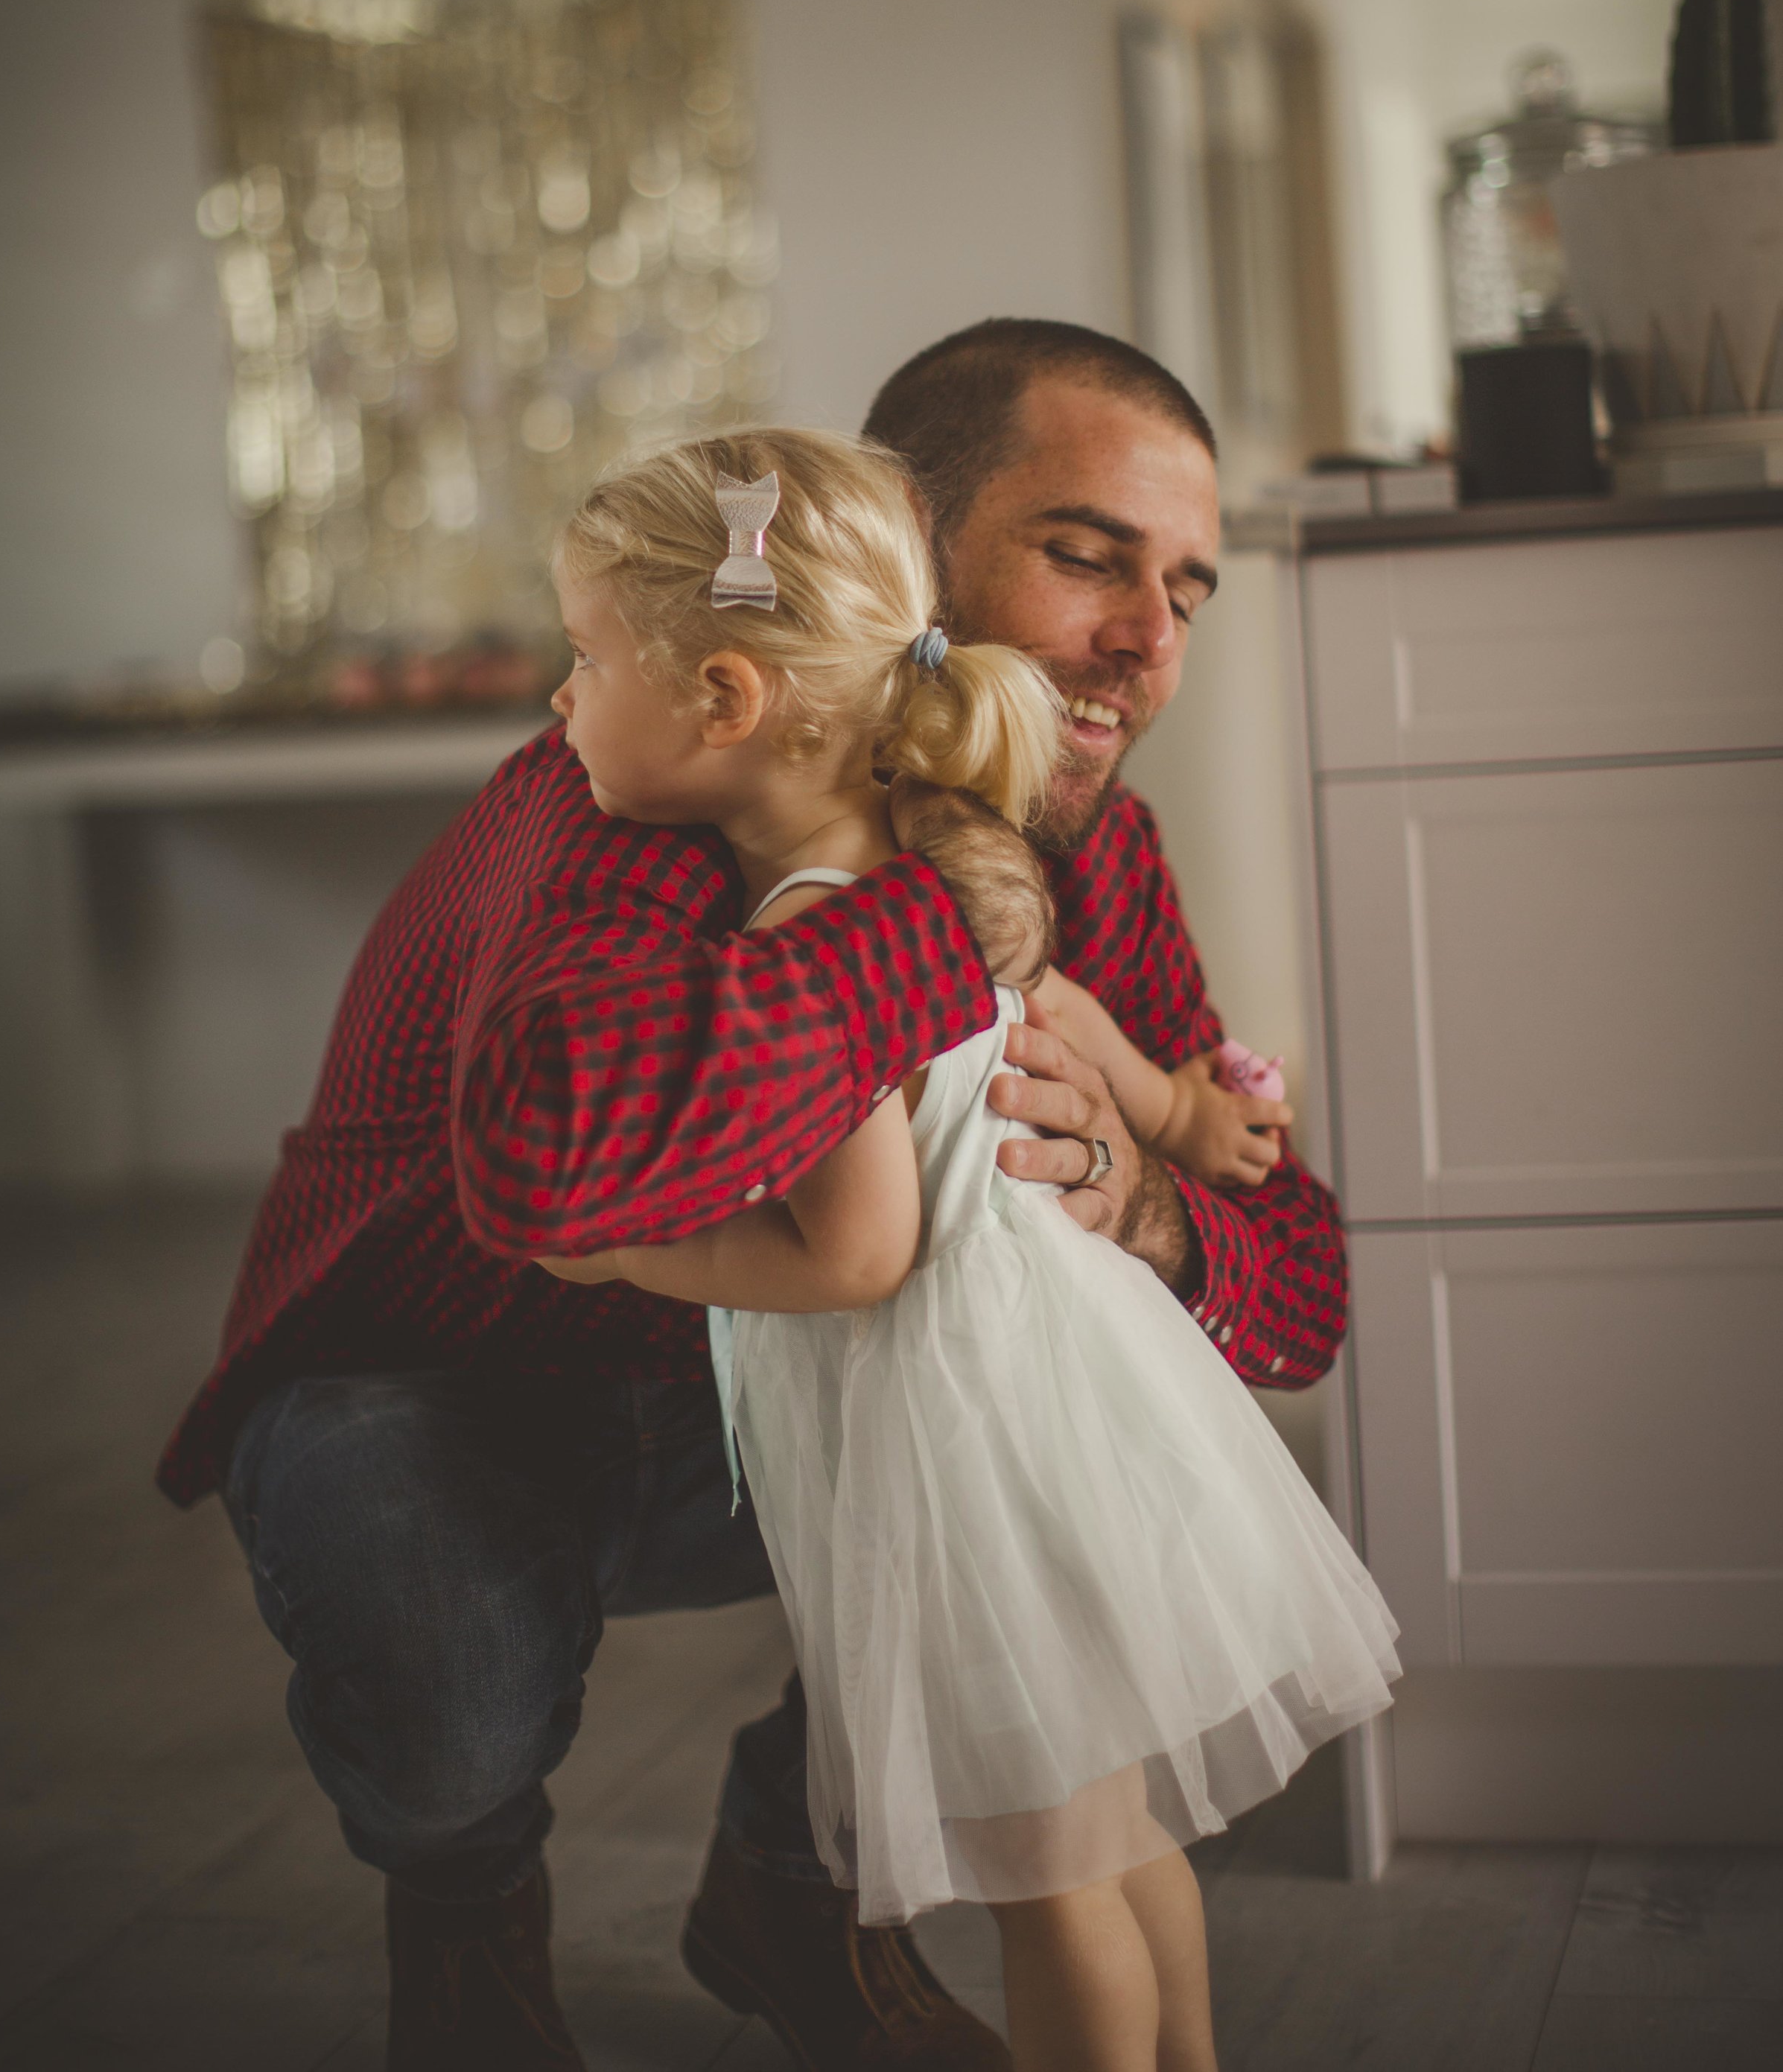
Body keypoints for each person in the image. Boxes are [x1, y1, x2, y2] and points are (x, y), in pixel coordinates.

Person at [157, 318, 1350, 2072]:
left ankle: (787, 1887)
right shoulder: (632, 791)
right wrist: (947, 926)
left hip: (805, 1397)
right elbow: (551, 1159)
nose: (1146, 644)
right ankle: (469, 1901)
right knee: (440, 1678)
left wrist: (1138, 1191)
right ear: (890, 547)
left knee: (1033, 1492)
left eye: (1186, 590)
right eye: (1085, 557)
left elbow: (1300, 1300)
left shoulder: (1090, 841)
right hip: (448, 1379)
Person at [535, 428, 1397, 2072]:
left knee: (1046, 1885)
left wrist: (631, 1255)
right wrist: (1175, 1112)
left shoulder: (800, 932)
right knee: (1116, 1836)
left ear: (724, 700)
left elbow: (857, 1252)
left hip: (961, 1442)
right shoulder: (935, 859)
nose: (559, 702)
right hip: (1060, 1395)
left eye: (582, 662)